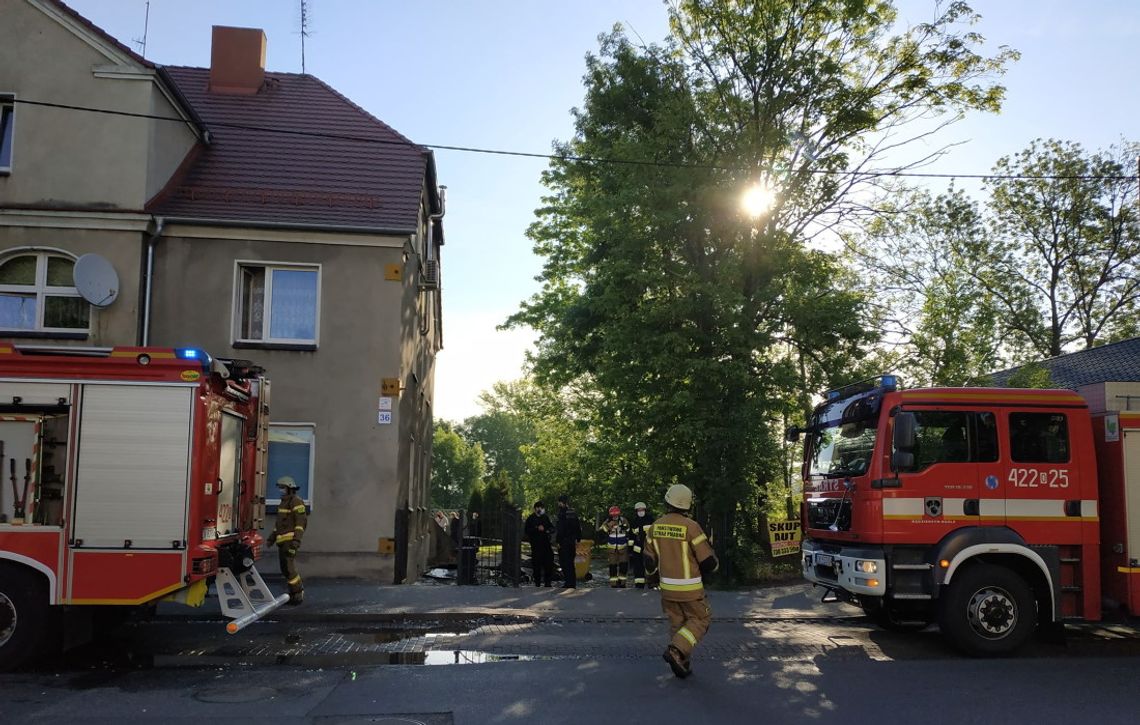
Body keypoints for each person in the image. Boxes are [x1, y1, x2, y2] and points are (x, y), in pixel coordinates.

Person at [643, 484, 718, 678]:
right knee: (701, 619)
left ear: (667, 501)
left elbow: (649, 562)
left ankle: (682, 663)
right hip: (691, 590)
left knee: (678, 624)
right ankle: (676, 650)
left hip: (667, 590)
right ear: (687, 505)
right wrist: (713, 569)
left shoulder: (655, 527)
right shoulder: (691, 527)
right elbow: (708, 562)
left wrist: (651, 578)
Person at [268, 475, 307, 605]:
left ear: (290, 488)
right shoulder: (283, 502)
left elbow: (300, 524)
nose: (281, 490)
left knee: (290, 569)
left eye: (283, 488)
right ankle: (293, 591)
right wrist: (271, 539)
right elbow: (278, 525)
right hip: (282, 542)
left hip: (290, 542)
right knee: (285, 569)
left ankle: (297, 593)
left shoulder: (296, 501)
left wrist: (296, 542)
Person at [524, 500, 555, 587]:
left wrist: (546, 529)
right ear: (535, 509)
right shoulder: (530, 519)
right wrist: (537, 528)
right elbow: (527, 531)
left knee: (548, 563)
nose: (539, 509)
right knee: (536, 565)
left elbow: (552, 528)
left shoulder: (545, 517)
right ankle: (537, 583)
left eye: (541, 508)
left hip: (546, 545)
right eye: (538, 507)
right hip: (536, 545)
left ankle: (547, 582)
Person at [554, 494, 582, 588]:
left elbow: (561, 529)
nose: (558, 504)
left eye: (559, 502)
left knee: (565, 562)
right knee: (570, 562)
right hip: (571, 541)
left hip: (564, 541)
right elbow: (577, 526)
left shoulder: (562, 513)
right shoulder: (572, 512)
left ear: (561, 502)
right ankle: (572, 582)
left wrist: (558, 540)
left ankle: (568, 583)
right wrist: (578, 539)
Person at [599, 505, 630, 588]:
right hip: (612, 547)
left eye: (616, 515)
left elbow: (628, 529)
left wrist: (623, 527)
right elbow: (603, 529)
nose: (615, 516)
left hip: (622, 546)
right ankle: (613, 583)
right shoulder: (607, 521)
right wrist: (609, 526)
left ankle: (622, 582)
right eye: (613, 515)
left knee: (623, 565)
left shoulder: (623, 520)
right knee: (612, 566)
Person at [628, 501, 654, 589]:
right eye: (639, 510)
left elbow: (654, 534)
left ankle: (652, 583)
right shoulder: (634, 521)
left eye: (642, 510)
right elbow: (631, 537)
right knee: (638, 568)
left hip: (649, 548)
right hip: (637, 549)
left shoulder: (650, 520)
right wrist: (630, 550)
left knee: (650, 566)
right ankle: (639, 584)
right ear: (636, 511)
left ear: (645, 510)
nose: (640, 511)